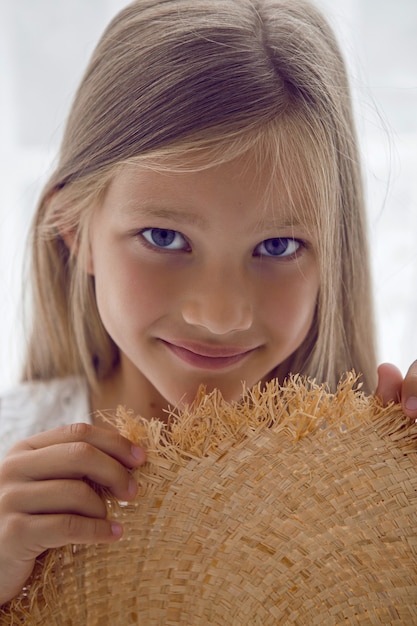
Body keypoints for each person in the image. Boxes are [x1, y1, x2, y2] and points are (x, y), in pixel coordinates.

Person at [0, 0, 416, 608]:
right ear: (75, 230)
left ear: (335, 253)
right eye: (164, 238)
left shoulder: (391, 493)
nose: (220, 315)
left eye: (277, 245)